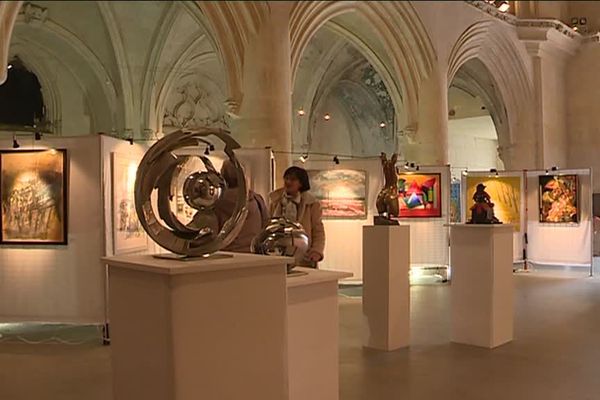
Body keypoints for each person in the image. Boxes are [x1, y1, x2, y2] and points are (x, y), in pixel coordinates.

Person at [269, 166, 325, 266]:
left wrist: (316, 251)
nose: (288, 182)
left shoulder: (312, 204)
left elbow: (318, 231)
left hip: (304, 257)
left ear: (301, 183)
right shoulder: (276, 201)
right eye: (286, 178)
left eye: (293, 179)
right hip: (278, 255)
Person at [214, 160, 269, 252]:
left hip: (227, 256)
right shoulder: (256, 200)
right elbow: (266, 227)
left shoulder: (216, 204)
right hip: (254, 255)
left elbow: (209, 235)